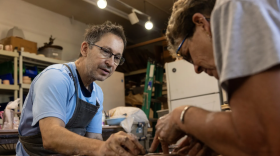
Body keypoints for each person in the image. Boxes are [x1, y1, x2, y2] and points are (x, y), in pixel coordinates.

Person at [150, 0, 280, 156]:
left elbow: (263, 140)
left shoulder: (232, 5)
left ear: (201, 23)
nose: (196, 68)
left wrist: (182, 116)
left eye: (188, 55)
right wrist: (219, 139)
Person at [16, 21, 146, 156]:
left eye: (117, 57)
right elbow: (51, 137)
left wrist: (112, 151)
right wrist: (102, 147)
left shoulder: (97, 94)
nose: (111, 63)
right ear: (85, 49)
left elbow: (94, 138)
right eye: (106, 52)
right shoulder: (56, 77)